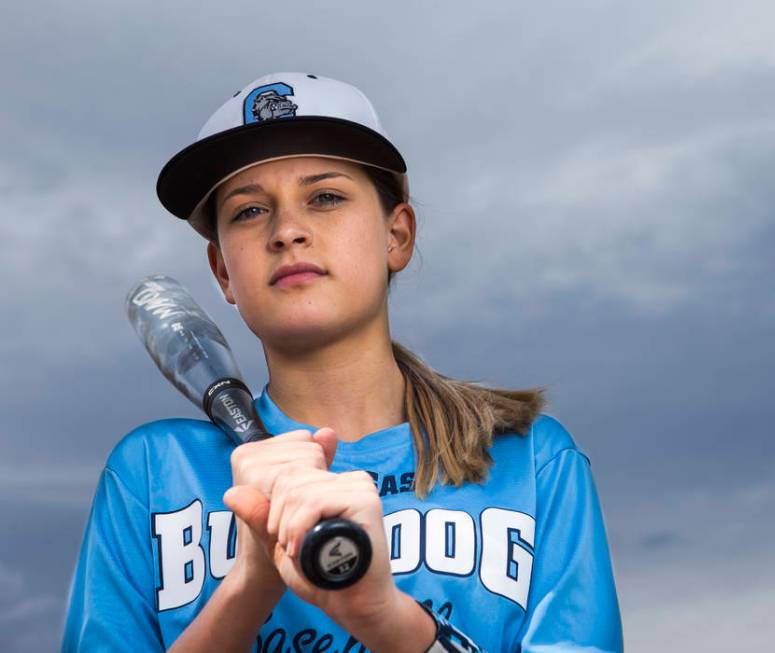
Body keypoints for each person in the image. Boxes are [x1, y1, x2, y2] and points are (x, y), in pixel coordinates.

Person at [61, 72, 624, 652]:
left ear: (396, 235)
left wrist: (383, 617)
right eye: (250, 211)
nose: (287, 231)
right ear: (224, 271)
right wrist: (250, 584)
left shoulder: (528, 463)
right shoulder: (155, 472)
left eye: (325, 197)